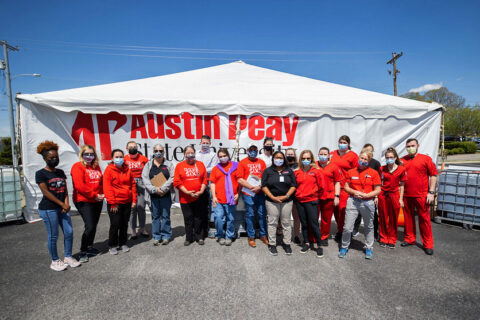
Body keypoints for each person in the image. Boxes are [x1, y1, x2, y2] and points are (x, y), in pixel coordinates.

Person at [35, 141, 80, 271]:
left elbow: (65, 189)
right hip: (48, 209)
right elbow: (46, 192)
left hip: (62, 208)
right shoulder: (41, 173)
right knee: (53, 235)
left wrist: (66, 203)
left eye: (56, 157)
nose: (55, 159)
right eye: (51, 158)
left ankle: (68, 257)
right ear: (45, 159)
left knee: (69, 232)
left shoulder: (60, 172)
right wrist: (62, 204)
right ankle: (55, 260)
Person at [339, 150, 381, 260]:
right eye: (361, 158)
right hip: (353, 201)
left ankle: (369, 248)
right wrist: (354, 192)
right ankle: (344, 246)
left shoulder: (374, 173)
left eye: (365, 159)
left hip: (368, 202)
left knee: (369, 226)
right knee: (347, 227)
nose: (362, 160)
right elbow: (346, 187)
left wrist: (367, 195)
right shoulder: (351, 171)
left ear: (369, 160)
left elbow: (378, 190)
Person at [401, 138, 438, 255]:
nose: (410, 148)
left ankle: (428, 244)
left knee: (424, 219)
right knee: (408, 218)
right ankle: (409, 238)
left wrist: (431, 192)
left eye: (412, 145)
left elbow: (433, 175)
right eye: (408, 146)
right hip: (406, 195)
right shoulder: (402, 160)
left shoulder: (426, 159)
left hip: (421, 195)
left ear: (418, 146)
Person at [71, 145, 104, 263]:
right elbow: (80, 186)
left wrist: (101, 194)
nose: (89, 156)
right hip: (83, 200)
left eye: (91, 154)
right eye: (87, 154)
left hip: (97, 200)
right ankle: (83, 251)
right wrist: (94, 195)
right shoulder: (77, 167)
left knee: (93, 225)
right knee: (89, 225)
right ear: (82, 154)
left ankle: (90, 246)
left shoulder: (96, 166)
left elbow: (100, 182)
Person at [261, 151, 297, 256]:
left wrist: (286, 196)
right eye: (276, 157)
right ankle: (272, 244)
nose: (279, 159)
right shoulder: (268, 171)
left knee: (286, 222)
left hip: (287, 201)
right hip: (271, 201)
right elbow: (264, 186)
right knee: (272, 222)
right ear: (273, 159)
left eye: (281, 158)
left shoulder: (289, 171)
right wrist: (272, 197)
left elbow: (293, 185)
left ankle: (287, 243)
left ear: (284, 159)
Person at [173, 146, 209, 246]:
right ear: (184, 154)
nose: (190, 154)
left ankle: (199, 236)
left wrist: (201, 191)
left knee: (199, 217)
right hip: (185, 198)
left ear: (195, 153)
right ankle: (189, 237)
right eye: (188, 153)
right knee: (188, 218)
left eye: (192, 152)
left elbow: (204, 180)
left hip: (199, 196)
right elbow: (177, 182)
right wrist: (187, 192)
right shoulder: (179, 166)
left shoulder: (200, 164)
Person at [103, 149, 137, 255]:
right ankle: (112, 245)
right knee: (115, 224)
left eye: (121, 156)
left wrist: (134, 200)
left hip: (127, 201)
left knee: (124, 224)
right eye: (116, 157)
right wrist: (112, 202)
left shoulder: (127, 169)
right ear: (112, 158)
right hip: (115, 203)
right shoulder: (109, 170)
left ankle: (123, 243)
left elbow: (133, 185)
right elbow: (107, 187)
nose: (119, 159)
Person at [294, 150, 325, 257]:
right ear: (300, 159)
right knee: (304, 223)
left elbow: (322, 187)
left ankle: (319, 245)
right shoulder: (297, 172)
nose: (306, 160)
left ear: (311, 159)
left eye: (308, 158)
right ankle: (306, 243)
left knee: (314, 224)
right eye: (303, 158)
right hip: (300, 202)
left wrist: (314, 196)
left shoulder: (316, 171)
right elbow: (294, 186)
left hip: (311, 201)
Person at [142, 144, 175, 246]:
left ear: (164, 152)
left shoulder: (168, 164)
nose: (158, 152)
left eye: (161, 150)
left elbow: (172, 177)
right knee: (155, 216)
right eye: (156, 150)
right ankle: (156, 236)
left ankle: (165, 236)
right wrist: (154, 189)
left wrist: (163, 188)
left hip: (165, 195)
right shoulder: (148, 165)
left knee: (165, 216)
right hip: (153, 196)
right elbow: (145, 179)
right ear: (153, 151)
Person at [237, 143, 268, 248]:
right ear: (247, 151)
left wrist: (259, 187)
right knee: (250, 215)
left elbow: (265, 177)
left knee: (262, 214)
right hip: (248, 193)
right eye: (251, 149)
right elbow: (240, 179)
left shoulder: (261, 162)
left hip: (260, 192)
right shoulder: (242, 162)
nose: (253, 151)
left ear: (258, 151)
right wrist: (251, 187)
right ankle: (251, 236)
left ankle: (263, 235)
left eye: (255, 149)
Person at [330, 135, 359, 242]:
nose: (342, 144)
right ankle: (340, 230)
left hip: (345, 188)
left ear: (348, 144)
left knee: (344, 211)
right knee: (336, 211)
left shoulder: (353, 156)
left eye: (344, 142)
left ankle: (347, 231)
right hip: (333, 187)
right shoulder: (332, 154)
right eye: (340, 142)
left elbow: (357, 172)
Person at [210, 148, 240, 246]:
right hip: (219, 199)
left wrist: (238, 193)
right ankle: (220, 235)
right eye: (220, 156)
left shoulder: (235, 167)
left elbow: (240, 182)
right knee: (218, 218)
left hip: (231, 199)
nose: (223, 158)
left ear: (228, 155)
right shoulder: (216, 168)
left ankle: (229, 236)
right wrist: (213, 196)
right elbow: (212, 183)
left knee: (230, 219)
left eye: (224, 156)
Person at [378, 147, 406, 249]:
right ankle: (383, 237)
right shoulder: (382, 168)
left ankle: (392, 238)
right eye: (387, 157)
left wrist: (401, 199)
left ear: (395, 158)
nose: (389, 159)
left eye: (391, 157)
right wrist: (377, 196)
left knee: (394, 218)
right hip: (383, 195)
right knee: (383, 217)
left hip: (394, 195)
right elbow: (378, 183)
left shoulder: (401, 169)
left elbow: (402, 185)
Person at [316, 147, 344, 247]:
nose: (323, 156)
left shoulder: (334, 167)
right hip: (315, 196)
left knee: (326, 219)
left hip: (329, 196)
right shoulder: (314, 165)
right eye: (321, 154)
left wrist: (337, 196)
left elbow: (337, 182)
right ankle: (314, 236)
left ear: (329, 156)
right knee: (314, 218)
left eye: (325, 154)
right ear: (318, 154)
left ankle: (324, 237)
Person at [353, 143, 381, 239]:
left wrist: (375, 196)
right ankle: (355, 229)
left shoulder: (376, 163)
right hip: (358, 192)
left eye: (370, 150)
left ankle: (375, 232)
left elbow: (378, 181)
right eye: (366, 150)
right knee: (357, 212)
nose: (367, 152)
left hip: (370, 193)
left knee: (372, 214)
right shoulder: (358, 161)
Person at [124, 141, 149, 239]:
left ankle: (142, 228)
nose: (133, 148)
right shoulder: (124, 159)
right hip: (129, 183)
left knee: (141, 206)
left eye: (135, 147)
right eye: (131, 147)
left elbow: (149, 169)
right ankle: (133, 230)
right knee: (132, 208)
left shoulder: (143, 158)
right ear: (127, 148)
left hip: (141, 182)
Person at [195, 135, 218, 238]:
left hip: (209, 182)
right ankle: (199, 227)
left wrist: (201, 170)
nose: (205, 144)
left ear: (210, 143)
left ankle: (209, 226)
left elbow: (213, 168)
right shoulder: (195, 154)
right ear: (200, 143)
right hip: (197, 181)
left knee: (209, 204)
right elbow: (193, 166)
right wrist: (201, 170)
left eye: (207, 143)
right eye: (203, 142)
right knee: (198, 204)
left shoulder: (213, 155)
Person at [285, 148, 301, 244]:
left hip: (296, 196)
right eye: (288, 154)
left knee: (296, 218)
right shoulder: (282, 166)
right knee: (285, 218)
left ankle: (296, 236)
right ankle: (286, 236)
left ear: (295, 155)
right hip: (285, 195)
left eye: (292, 154)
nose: (290, 156)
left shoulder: (299, 166)